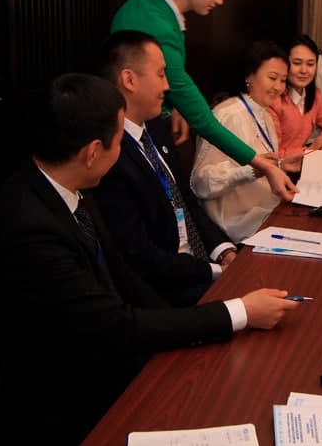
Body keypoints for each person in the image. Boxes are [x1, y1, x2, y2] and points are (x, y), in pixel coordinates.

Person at [0, 73, 298, 446]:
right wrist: (238, 312)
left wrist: (205, 321)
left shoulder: (65, 182)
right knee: (232, 398)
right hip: (66, 398)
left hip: (102, 348)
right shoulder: (31, 229)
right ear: (92, 152)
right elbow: (113, 326)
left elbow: (123, 275)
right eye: (119, 140)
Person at [111, 0, 296, 201]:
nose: (220, 0)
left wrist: (176, 105)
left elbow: (170, 75)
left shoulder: (151, 0)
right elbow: (204, 121)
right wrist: (263, 164)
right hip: (130, 129)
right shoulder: (161, 28)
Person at [91, 30, 238, 306]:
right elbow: (138, 253)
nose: (167, 86)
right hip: (167, 292)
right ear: (129, 80)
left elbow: (186, 200)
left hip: (201, 268)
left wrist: (224, 251)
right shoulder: (110, 154)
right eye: (160, 74)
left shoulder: (157, 127)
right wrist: (214, 271)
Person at [191, 41, 288, 242]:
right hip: (237, 223)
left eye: (283, 80)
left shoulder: (266, 115)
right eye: (272, 78)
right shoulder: (227, 115)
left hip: (268, 211)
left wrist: (282, 164)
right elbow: (200, 183)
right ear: (249, 76)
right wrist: (252, 170)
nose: (278, 87)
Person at [268, 34, 322, 162]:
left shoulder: (314, 95)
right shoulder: (273, 101)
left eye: (310, 64)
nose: (304, 70)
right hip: (279, 168)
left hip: (304, 162)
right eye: (297, 63)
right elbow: (271, 154)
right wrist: (311, 149)